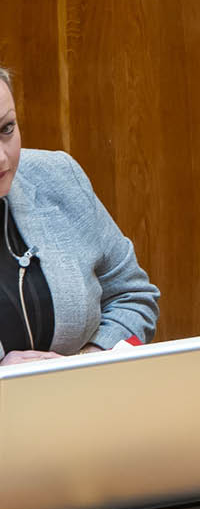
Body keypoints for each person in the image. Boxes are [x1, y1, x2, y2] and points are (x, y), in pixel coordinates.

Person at [0, 65, 159, 366]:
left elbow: (134, 297)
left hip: (84, 406)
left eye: (7, 128)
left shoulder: (59, 176)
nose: (2, 157)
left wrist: (84, 364)